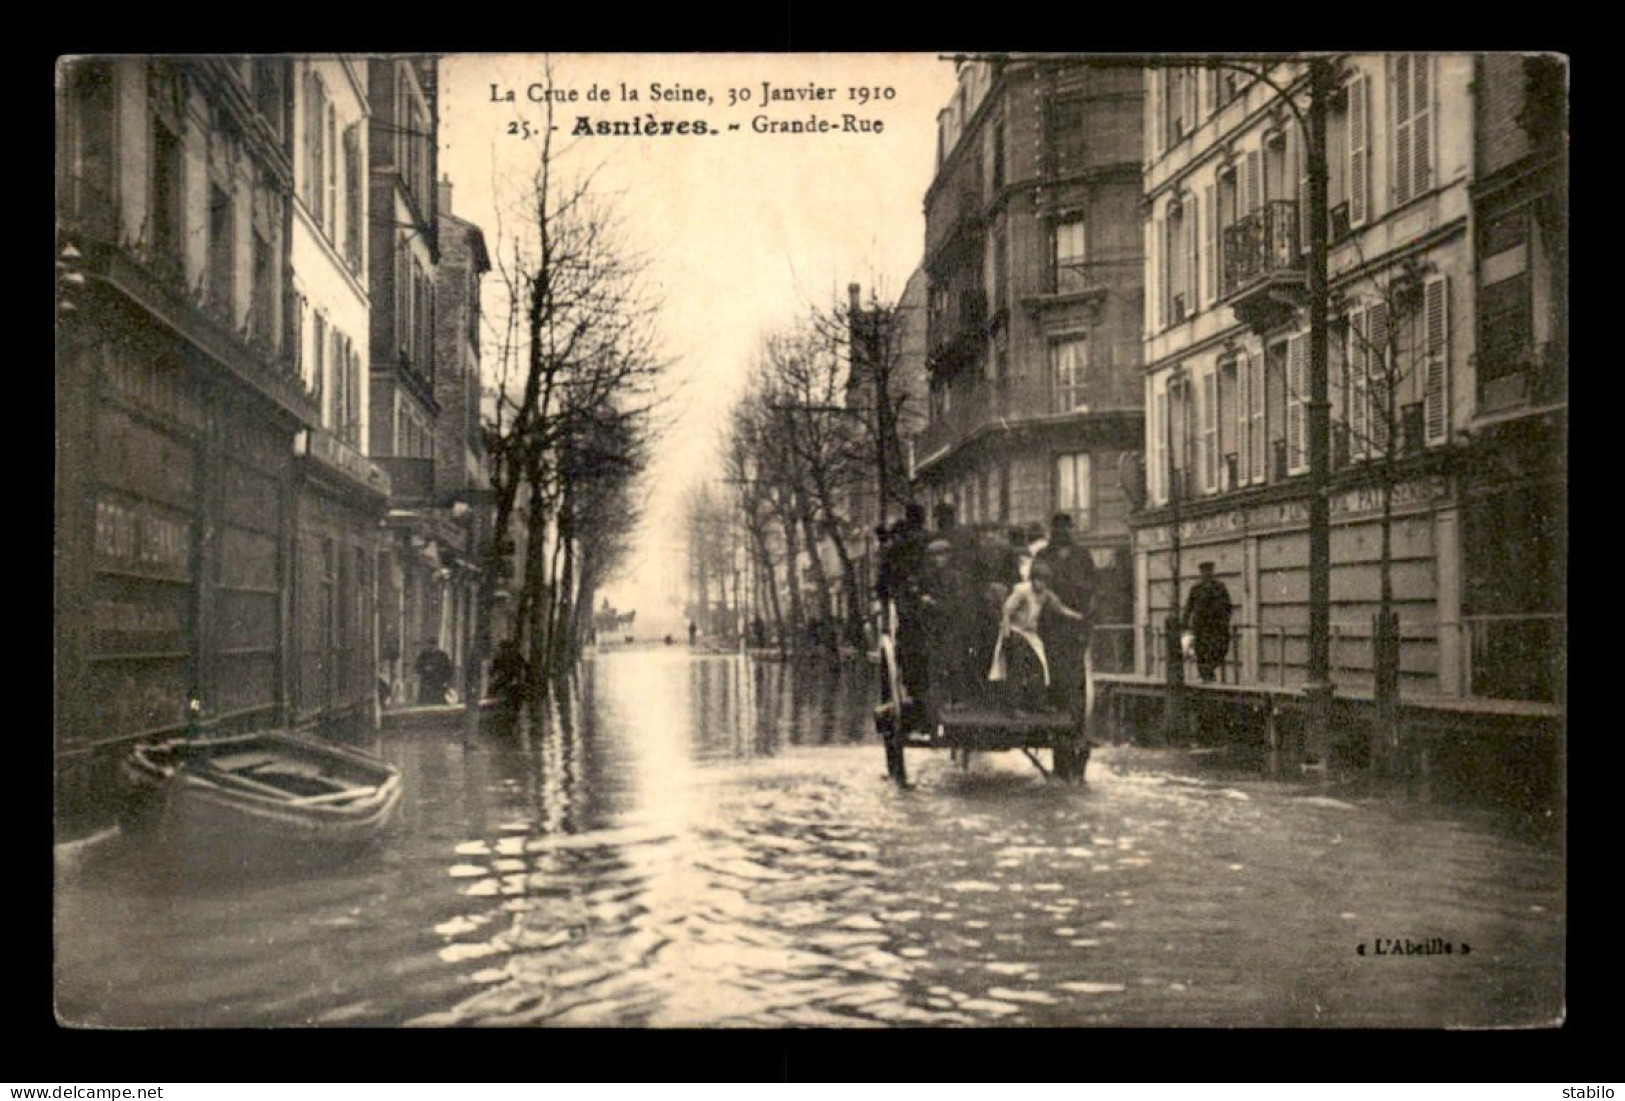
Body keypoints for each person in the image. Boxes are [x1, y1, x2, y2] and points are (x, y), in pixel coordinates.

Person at [992, 561, 1086, 712]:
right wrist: (1007, 632)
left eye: (1043, 581)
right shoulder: (1022, 591)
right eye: (1038, 580)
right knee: (1017, 667)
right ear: (1032, 579)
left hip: (1030, 634)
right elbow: (1007, 610)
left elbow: (1059, 608)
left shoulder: (1046, 594)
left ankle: (1039, 704)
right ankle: (1013, 707)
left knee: (1039, 667)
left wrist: (1077, 616)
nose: (1040, 584)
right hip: (1015, 631)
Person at [1033, 513, 1097, 721]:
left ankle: (1074, 718)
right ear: (1053, 531)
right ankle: (1056, 712)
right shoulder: (1043, 555)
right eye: (1058, 528)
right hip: (1050, 623)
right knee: (1051, 666)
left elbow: (1094, 588)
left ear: (1071, 529)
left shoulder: (1082, 555)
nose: (1062, 532)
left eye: (1066, 528)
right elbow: (1034, 586)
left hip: (1076, 623)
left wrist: (1088, 618)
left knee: (1076, 669)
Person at [1185, 561, 1234, 683]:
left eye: (1209, 571)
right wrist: (1184, 622)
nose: (1207, 574)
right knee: (1201, 651)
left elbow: (1228, 606)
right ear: (1201, 573)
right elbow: (1188, 607)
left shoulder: (1220, 587)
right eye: (1204, 571)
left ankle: (1209, 671)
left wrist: (1225, 620)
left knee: (1218, 649)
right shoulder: (1196, 589)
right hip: (1201, 627)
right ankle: (1205, 674)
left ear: (1212, 572)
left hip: (1216, 626)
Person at [414, 640, 454, 705]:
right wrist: (425, 668)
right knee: (426, 700)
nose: (431, 648)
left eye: (433, 646)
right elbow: (417, 667)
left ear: (437, 646)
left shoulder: (442, 655)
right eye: (430, 646)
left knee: (438, 699)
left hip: (438, 682)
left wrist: (446, 680)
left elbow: (448, 669)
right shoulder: (423, 655)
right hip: (427, 682)